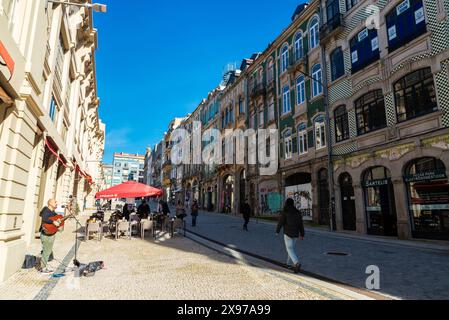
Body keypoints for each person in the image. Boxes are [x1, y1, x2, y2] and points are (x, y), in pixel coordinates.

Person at [276, 198, 305, 274]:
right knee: (291, 248)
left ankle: (296, 263)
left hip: (288, 233)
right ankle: (288, 264)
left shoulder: (285, 212)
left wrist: (277, 231)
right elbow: (300, 224)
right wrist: (302, 234)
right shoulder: (297, 212)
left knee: (289, 249)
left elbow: (280, 222)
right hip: (295, 234)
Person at [39, 199, 63, 274]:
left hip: (51, 234)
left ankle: (43, 264)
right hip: (46, 234)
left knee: (47, 251)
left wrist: (59, 224)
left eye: (56, 202)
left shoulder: (53, 212)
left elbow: (58, 219)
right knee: (46, 251)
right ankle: (42, 268)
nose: (56, 203)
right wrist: (53, 222)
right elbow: (45, 218)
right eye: (55, 202)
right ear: (49, 203)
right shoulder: (45, 210)